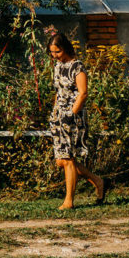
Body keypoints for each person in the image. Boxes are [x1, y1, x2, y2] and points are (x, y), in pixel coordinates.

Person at [47, 32, 108, 209]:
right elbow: (58, 92)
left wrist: (71, 114)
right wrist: (55, 113)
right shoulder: (58, 66)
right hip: (58, 114)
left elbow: (83, 93)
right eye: (52, 52)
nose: (54, 55)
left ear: (65, 48)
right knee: (61, 160)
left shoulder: (77, 66)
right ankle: (97, 180)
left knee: (68, 159)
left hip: (73, 115)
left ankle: (69, 201)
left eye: (57, 51)